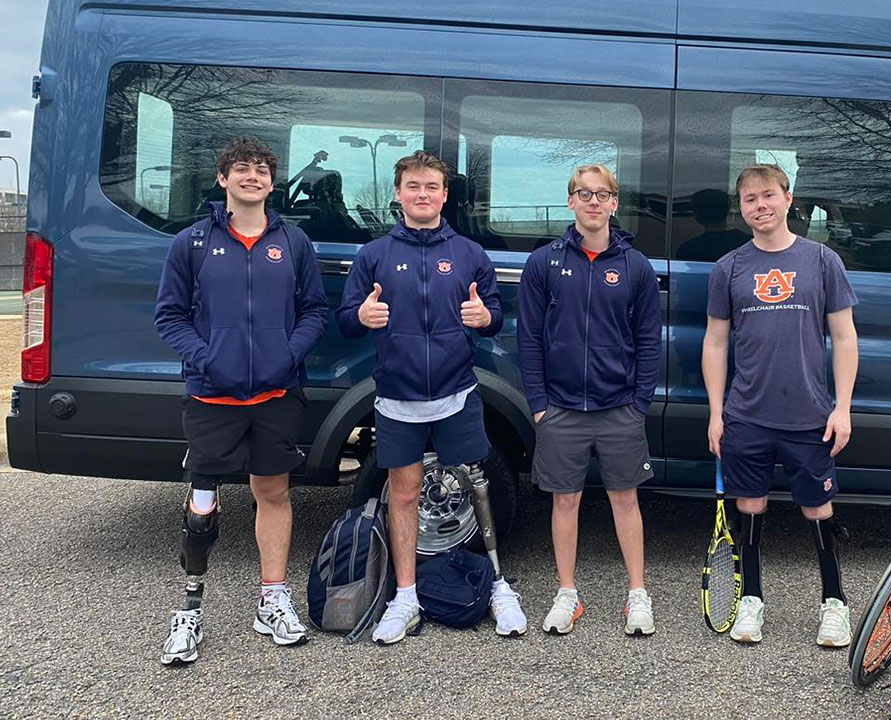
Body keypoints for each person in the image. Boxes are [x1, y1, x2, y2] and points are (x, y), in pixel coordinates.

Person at [336, 150, 526, 643]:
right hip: (397, 396)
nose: (423, 194)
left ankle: (499, 584)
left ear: (445, 195)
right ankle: (406, 595)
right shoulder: (374, 254)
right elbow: (345, 319)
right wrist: (361, 318)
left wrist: (487, 320)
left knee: (478, 485)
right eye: (414, 186)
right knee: (402, 491)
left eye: (432, 187)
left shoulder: (468, 253)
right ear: (398, 194)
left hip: (457, 392)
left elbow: (495, 316)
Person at [155, 135, 328, 665]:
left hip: (276, 393)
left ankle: (271, 598)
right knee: (203, 502)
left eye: (261, 170)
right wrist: (206, 358)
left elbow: (314, 311)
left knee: (273, 491)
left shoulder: (293, 242)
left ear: (272, 183)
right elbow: (170, 316)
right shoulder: (192, 243)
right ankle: (189, 611)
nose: (252, 177)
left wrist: (287, 356)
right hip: (212, 395)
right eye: (241, 169)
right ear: (222, 179)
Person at [702, 163, 860, 647]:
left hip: (810, 415)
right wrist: (715, 412)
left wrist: (842, 407)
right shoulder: (728, 268)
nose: (760, 206)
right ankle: (751, 599)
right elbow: (714, 343)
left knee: (818, 509)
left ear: (789, 199)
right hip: (746, 414)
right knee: (750, 505)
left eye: (769, 195)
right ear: (742, 207)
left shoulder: (822, 261)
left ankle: (834, 604)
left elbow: (844, 336)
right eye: (750, 199)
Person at [517, 164, 662, 636]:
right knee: (565, 502)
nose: (594, 202)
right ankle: (566, 593)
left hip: (619, 407)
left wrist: (639, 402)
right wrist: (539, 402)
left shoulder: (635, 265)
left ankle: (637, 594)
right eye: (584, 193)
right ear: (571, 201)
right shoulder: (544, 262)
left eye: (603, 194)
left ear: (615, 203)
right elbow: (529, 339)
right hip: (560, 408)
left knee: (625, 500)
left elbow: (648, 341)